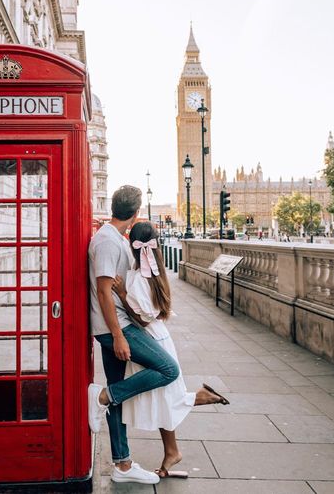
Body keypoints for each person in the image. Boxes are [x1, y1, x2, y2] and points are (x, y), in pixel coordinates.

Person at [112, 221, 230, 479]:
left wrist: (122, 295)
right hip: (159, 338)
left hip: (150, 340)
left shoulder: (141, 277)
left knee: (163, 398)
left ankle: (199, 401)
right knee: (163, 398)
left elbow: (143, 319)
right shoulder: (153, 271)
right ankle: (173, 449)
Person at [88, 185, 181, 485]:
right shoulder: (107, 241)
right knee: (168, 369)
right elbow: (103, 292)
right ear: (136, 212)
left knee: (118, 389)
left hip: (117, 323)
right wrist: (117, 336)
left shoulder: (115, 239)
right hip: (116, 326)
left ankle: (122, 464)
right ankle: (102, 395)